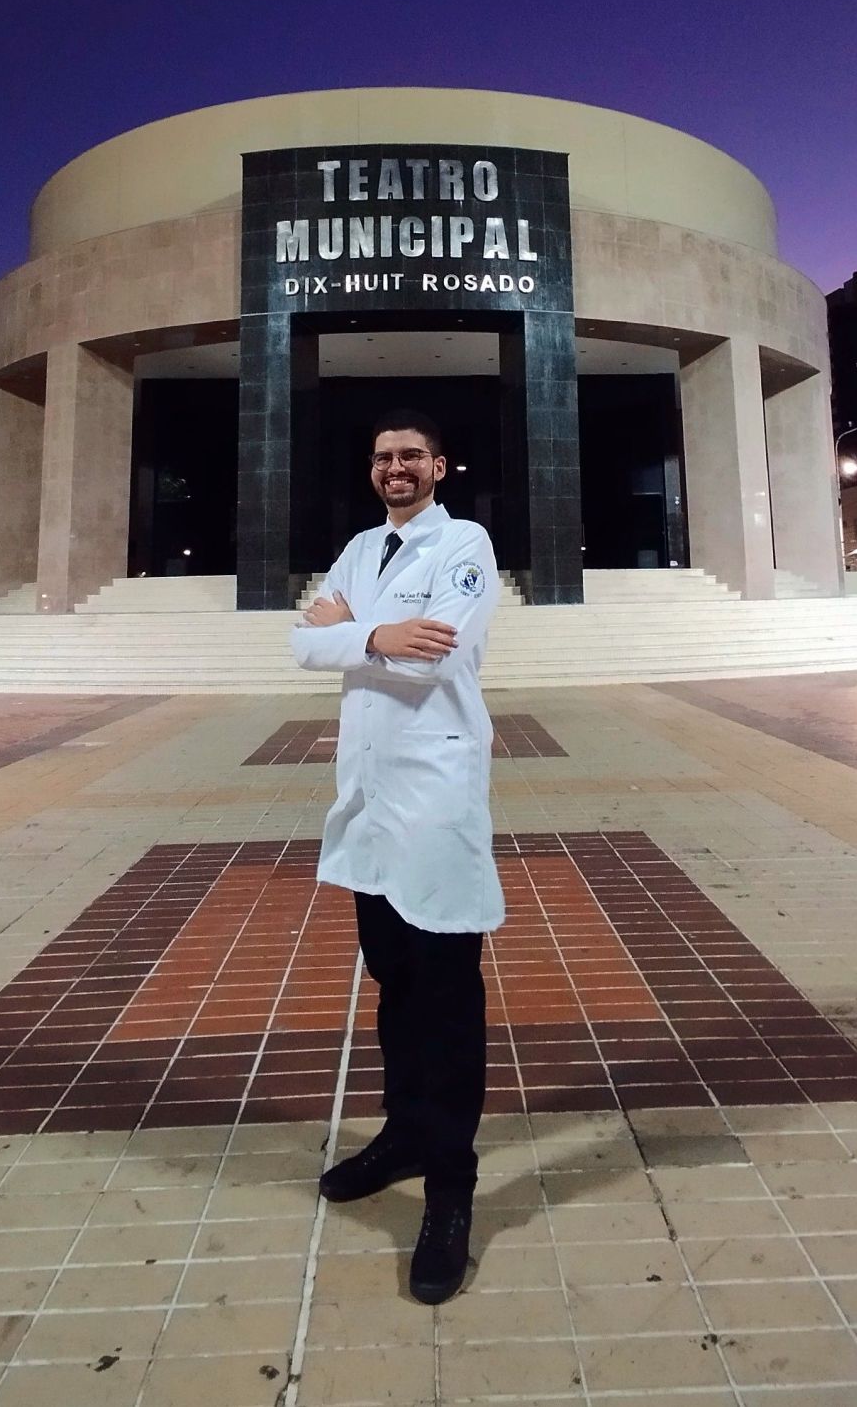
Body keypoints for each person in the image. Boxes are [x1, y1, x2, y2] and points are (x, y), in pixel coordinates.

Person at [292, 409, 501, 1305]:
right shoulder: (358, 548)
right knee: (392, 979)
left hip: (435, 793)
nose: (396, 468)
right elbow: (302, 644)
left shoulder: (465, 546)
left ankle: (450, 1190)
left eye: (412, 455)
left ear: (439, 467)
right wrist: (378, 633)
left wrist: (353, 631)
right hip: (371, 800)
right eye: (383, 457)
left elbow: (427, 661)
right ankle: (405, 1133)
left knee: (446, 996)